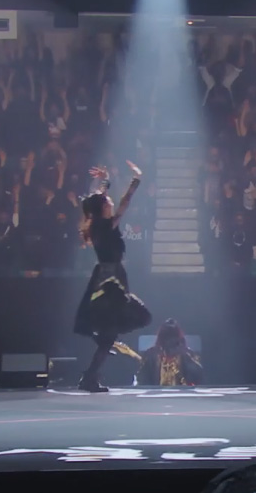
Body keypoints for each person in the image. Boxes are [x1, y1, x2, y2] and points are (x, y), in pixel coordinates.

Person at [73, 162, 153, 393]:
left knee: (112, 334)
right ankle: (91, 373)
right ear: (102, 209)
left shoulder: (99, 224)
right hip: (110, 283)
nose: (110, 201)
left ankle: (90, 376)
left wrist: (105, 181)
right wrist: (135, 181)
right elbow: (124, 203)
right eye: (107, 201)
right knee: (139, 316)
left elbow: (99, 200)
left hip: (110, 279)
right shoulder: (104, 225)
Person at [138, 318, 205, 386]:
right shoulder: (151, 355)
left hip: (182, 393)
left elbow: (198, 377)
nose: (170, 341)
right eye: (166, 337)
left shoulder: (188, 354)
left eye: (173, 337)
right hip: (156, 393)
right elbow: (141, 379)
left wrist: (186, 356)